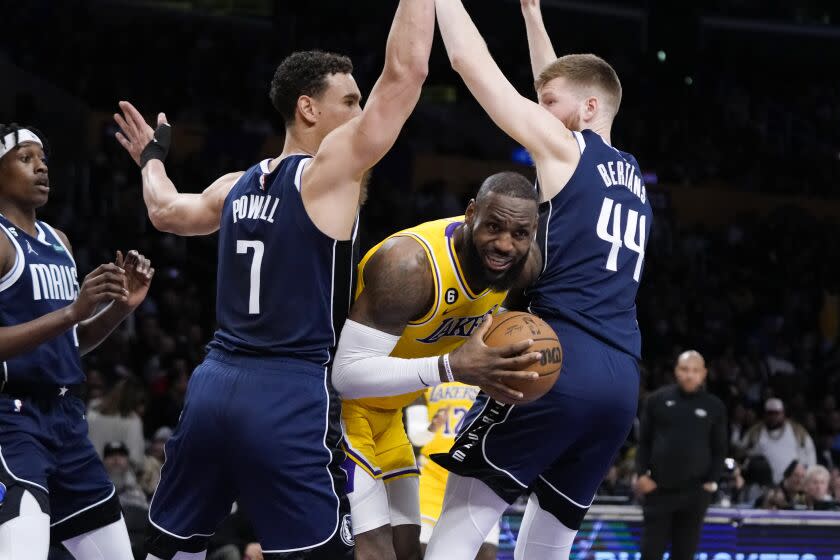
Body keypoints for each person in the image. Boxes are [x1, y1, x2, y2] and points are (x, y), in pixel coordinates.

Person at [112, 0, 435, 557]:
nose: (361, 112)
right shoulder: (327, 174)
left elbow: (165, 210)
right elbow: (406, 74)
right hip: (288, 391)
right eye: (351, 101)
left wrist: (151, 159)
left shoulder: (236, 184)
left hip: (212, 385)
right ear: (308, 109)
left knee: (173, 549)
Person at [425, 1, 653, 558]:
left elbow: (466, 62)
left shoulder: (565, 149)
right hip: (621, 381)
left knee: (460, 521)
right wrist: (532, 16)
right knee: (548, 544)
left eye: (548, 103)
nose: (539, 109)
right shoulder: (635, 181)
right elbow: (559, 86)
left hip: (555, 356)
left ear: (589, 108)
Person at [333, 172, 540, 560]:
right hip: (341, 411)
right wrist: (451, 367)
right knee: (374, 550)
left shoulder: (521, 267)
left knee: (407, 549)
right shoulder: (408, 266)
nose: (504, 244)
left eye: (519, 234)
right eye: (493, 227)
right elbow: (344, 377)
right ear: (470, 214)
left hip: (389, 415)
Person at [0, 123, 154, 560]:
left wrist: (122, 308)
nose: (41, 166)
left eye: (43, 158)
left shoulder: (59, 241)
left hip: (67, 419)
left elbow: (72, 342)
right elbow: (67, 319)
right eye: (25, 158)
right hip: (13, 420)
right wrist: (72, 311)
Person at [633, 350, 727, 560]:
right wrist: (641, 475)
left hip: (695, 494)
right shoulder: (656, 400)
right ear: (676, 371)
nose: (689, 375)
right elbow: (644, 443)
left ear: (704, 373)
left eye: (695, 370)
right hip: (658, 491)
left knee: (685, 554)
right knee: (650, 554)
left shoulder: (714, 406)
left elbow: (720, 448)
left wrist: (711, 482)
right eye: (685, 369)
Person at [406, 386, 499, 559]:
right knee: (420, 552)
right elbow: (416, 436)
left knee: (486, 553)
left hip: (475, 474)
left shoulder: (489, 372)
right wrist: (433, 426)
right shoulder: (426, 372)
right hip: (431, 477)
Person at [742, 398, 817, 483]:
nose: (773, 417)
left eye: (777, 413)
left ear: (783, 413)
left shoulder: (798, 431)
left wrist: (808, 476)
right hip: (763, 484)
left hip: (793, 483)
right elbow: (745, 457)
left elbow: (810, 456)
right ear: (765, 414)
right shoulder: (754, 433)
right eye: (770, 413)